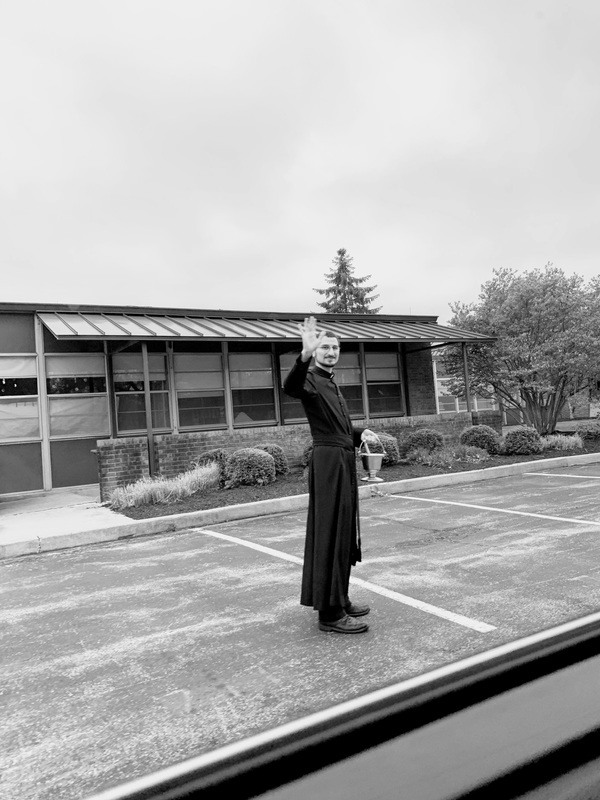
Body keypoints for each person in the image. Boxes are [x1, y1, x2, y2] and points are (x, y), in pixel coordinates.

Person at [283, 316, 380, 634]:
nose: (330, 351)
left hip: (341, 461)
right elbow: (290, 387)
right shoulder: (310, 377)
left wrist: (359, 432)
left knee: (342, 534)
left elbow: (337, 428)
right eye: (325, 347)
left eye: (335, 347)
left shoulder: (330, 382)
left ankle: (339, 598)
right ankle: (330, 615)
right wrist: (304, 354)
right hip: (328, 465)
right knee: (330, 534)